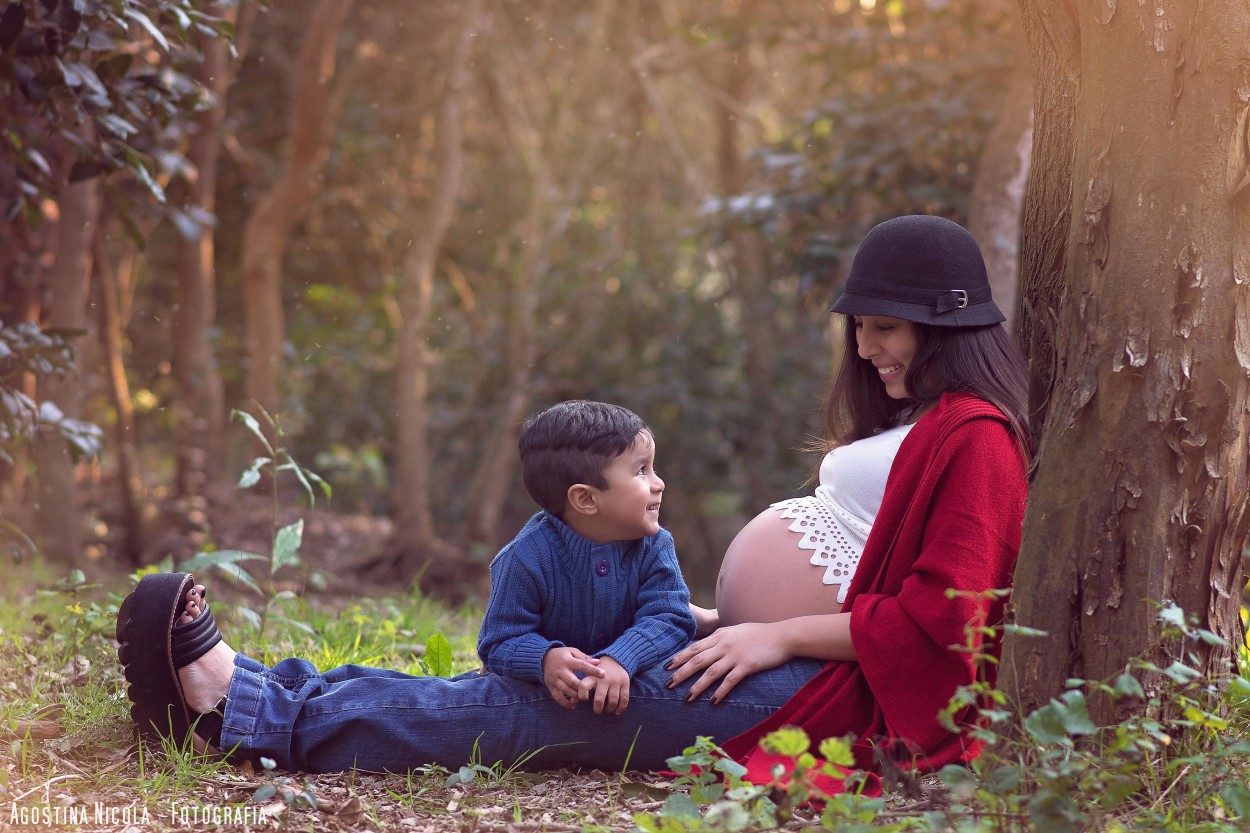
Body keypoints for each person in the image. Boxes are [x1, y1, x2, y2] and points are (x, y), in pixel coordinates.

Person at [115, 214, 1029, 783]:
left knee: (529, 713)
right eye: (860, 330)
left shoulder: (977, 437)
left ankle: (239, 714)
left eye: (884, 328)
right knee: (520, 685)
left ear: (946, 323)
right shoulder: (932, 421)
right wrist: (710, 620)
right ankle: (265, 696)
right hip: (774, 661)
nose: (866, 350)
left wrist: (780, 632)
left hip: (830, 698)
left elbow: (948, 616)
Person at [476, 400, 695, 715]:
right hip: (550, 703)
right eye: (642, 471)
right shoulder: (525, 559)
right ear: (586, 499)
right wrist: (544, 659)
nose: (659, 483)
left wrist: (622, 657)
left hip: (632, 691)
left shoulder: (654, 546)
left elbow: (671, 618)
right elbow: (498, 641)